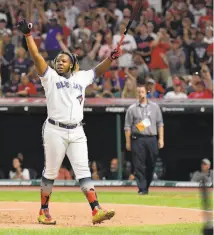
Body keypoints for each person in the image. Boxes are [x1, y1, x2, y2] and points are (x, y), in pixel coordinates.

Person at [17, 19, 120, 225]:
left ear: (72, 64)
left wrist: (110, 58)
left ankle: (96, 210)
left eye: (64, 60)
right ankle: (43, 210)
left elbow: (98, 71)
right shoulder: (50, 77)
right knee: (51, 172)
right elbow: (36, 56)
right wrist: (28, 36)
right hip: (55, 130)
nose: (59, 62)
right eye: (58, 60)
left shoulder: (81, 77)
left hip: (77, 131)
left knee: (83, 171)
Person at [124, 84, 164, 195]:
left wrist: (161, 139)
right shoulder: (132, 109)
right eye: (138, 92)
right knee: (139, 164)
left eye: (142, 91)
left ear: (146, 92)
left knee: (151, 163)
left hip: (151, 138)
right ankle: (142, 188)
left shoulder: (155, 107)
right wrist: (128, 142)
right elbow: (127, 127)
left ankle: (146, 185)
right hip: (138, 139)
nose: (140, 94)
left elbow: (160, 123)